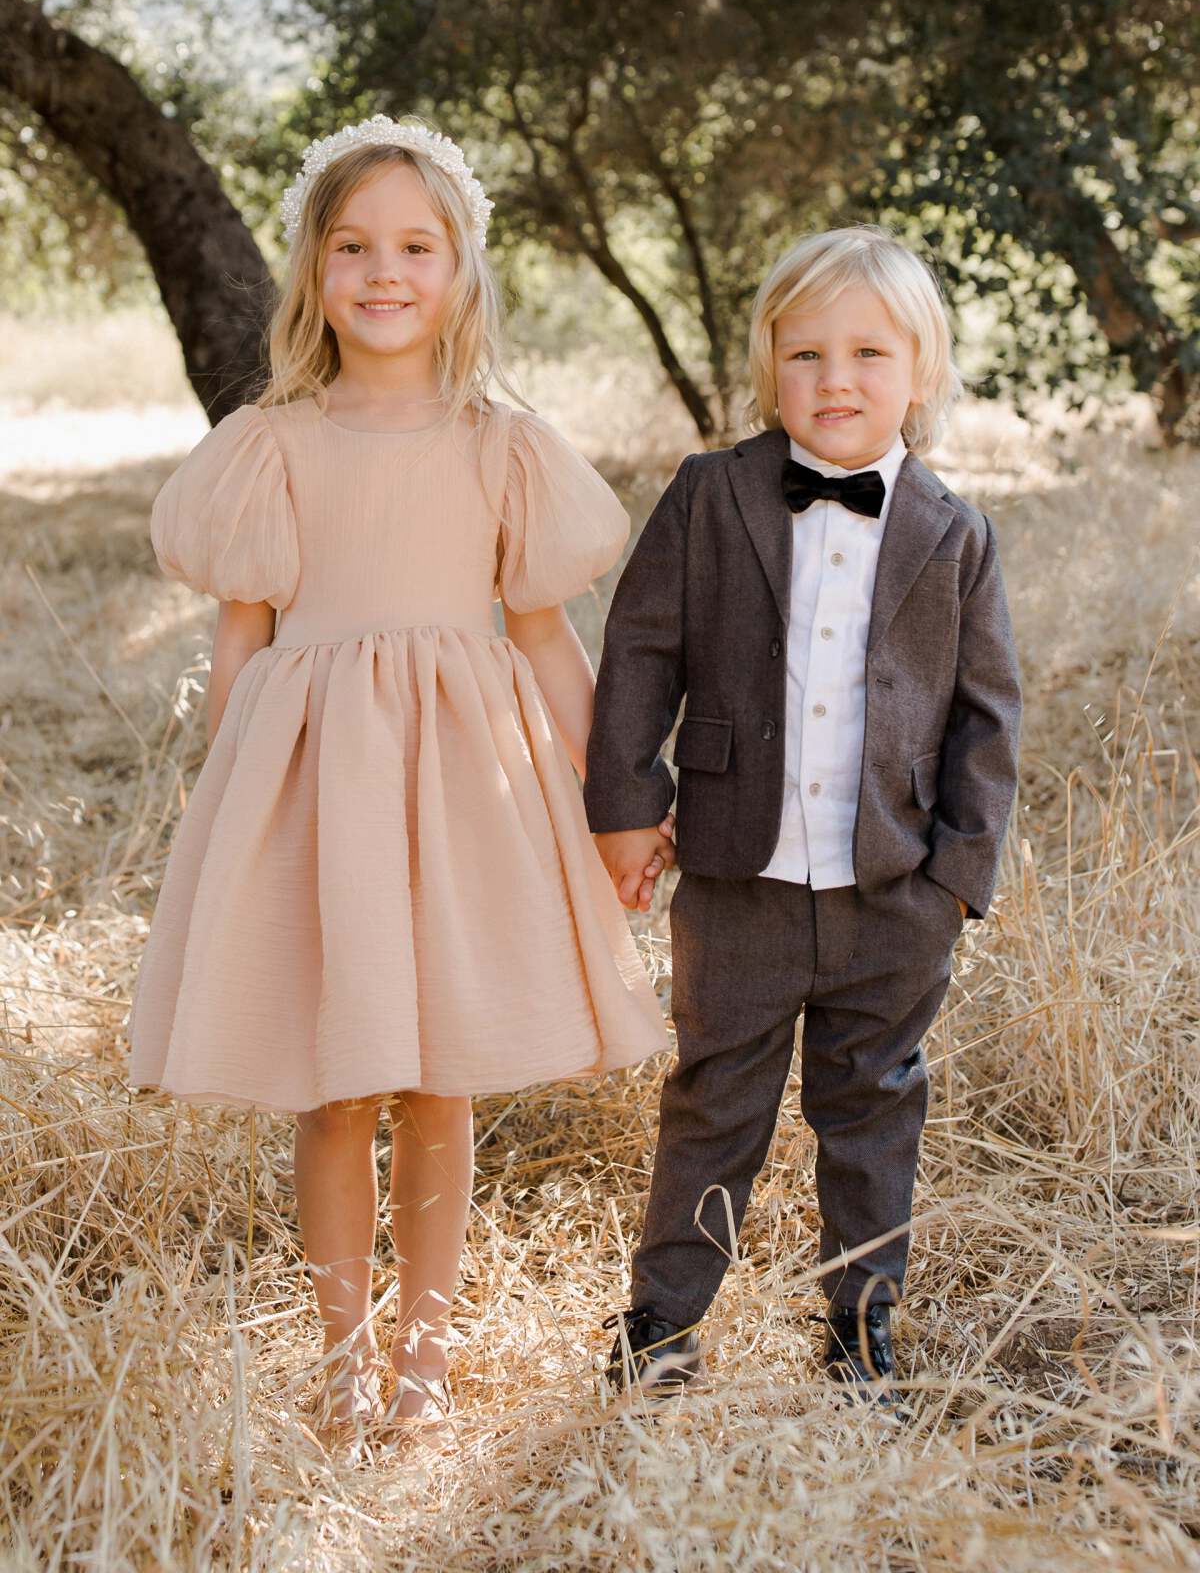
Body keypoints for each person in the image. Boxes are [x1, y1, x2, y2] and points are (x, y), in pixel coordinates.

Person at [126, 116, 673, 1444]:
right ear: (313, 269)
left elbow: (542, 636)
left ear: (461, 272)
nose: (386, 273)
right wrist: (231, 827)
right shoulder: (273, 443)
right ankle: (343, 1357)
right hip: (320, 792)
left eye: (416, 247)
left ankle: (426, 1355)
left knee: (440, 1084)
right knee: (337, 1081)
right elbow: (245, 638)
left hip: (460, 801)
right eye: (354, 246)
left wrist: (618, 806)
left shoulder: (502, 444)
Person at [586, 225, 1022, 1401]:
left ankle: (860, 1322)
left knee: (874, 1105)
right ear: (767, 365)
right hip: (737, 878)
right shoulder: (711, 495)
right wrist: (628, 806)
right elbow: (639, 652)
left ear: (920, 374)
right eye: (808, 354)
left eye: (870, 354)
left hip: (894, 887)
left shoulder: (955, 533)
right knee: (713, 1096)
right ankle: (664, 1318)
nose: (837, 380)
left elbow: (988, 717)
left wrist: (957, 879)